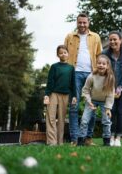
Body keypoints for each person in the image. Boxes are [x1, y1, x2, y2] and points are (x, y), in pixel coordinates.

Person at [64, 13, 102, 146]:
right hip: (74, 74)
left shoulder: (96, 37)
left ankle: (87, 138)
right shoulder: (69, 36)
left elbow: (99, 56)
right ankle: (74, 139)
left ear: (88, 23)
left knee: (91, 106)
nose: (82, 25)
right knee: (73, 106)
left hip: (91, 74)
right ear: (77, 22)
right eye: (80, 22)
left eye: (84, 22)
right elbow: (65, 55)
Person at [77, 54, 115, 146]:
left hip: (104, 102)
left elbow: (110, 94)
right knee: (84, 120)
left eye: (103, 64)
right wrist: (89, 101)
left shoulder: (110, 78)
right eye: (99, 63)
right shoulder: (91, 76)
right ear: (96, 64)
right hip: (92, 101)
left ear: (107, 66)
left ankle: (106, 141)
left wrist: (108, 108)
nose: (101, 65)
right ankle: (81, 141)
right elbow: (85, 90)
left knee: (106, 121)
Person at [102, 31, 122, 147]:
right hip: (110, 87)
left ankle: (118, 137)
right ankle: (111, 136)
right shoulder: (105, 53)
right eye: (110, 40)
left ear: (120, 40)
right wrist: (111, 88)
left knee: (120, 111)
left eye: (115, 39)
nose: (112, 42)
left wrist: (119, 88)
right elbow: (104, 72)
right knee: (111, 111)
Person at [43, 45, 77, 145]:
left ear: (68, 54)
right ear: (58, 55)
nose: (63, 54)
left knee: (62, 119)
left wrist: (74, 96)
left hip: (65, 95)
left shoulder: (71, 68)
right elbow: (50, 81)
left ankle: (59, 142)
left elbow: (73, 83)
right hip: (53, 94)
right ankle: (51, 142)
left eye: (65, 52)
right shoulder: (54, 67)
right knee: (51, 117)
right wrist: (47, 95)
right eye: (60, 52)